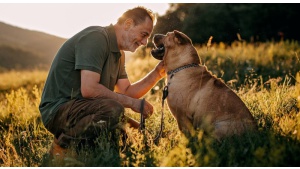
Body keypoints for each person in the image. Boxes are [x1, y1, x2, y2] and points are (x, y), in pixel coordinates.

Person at [39, 6, 165, 159]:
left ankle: (91, 146)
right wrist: (132, 103)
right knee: (114, 110)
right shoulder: (96, 38)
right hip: (59, 110)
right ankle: (62, 148)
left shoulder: (119, 54)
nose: (145, 42)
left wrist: (159, 72)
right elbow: (89, 89)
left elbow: (126, 91)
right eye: (143, 34)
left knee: (141, 137)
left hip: (87, 108)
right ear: (128, 24)